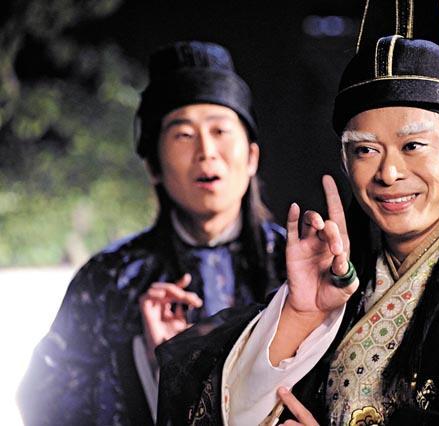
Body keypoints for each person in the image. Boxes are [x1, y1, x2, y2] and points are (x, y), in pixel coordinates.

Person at [155, 3, 439, 425]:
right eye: (365, 150)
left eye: (413, 145)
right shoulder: (336, 287)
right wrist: (298, 315)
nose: (388, 173)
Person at [17, 41, 286, 425]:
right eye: (183, 135)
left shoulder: (293, 266)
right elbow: (43, 401)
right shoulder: (110, 279)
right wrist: (144, 361)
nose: (206, 151)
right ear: (154, 167)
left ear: (252, 157)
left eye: (220, 130)